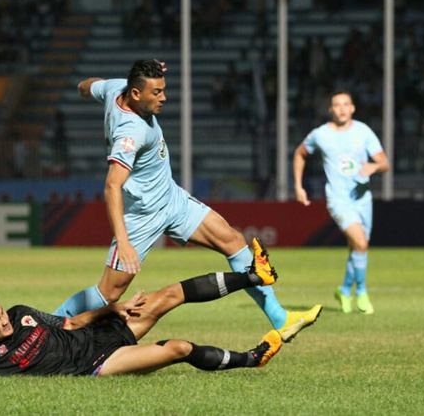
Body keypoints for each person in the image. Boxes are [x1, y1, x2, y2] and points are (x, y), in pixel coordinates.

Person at [52, 59, 321, 343]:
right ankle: (50, 327)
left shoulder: (115, 87)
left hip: (172, 199)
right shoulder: (130, 133)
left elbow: (87, 86)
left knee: (233, 241)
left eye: (163, 90)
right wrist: (124, 241)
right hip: (142, 215)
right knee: (109, 293)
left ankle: (281, 319)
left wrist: (86, 87)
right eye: (156, 92)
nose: (164, 97)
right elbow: (111, 186)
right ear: (135, 94)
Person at [0, 245, 283, 379]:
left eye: (2, 313)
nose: (5, 320)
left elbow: (72, 321)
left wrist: (115, 307)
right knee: (177, 347)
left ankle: (254, 276)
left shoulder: (23, 313)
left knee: (167, 294)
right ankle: (252, 358)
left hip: (97, 333)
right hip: (99, 362)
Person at [293, 90, 390, 315]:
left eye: (346, 104)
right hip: (338, 199)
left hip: (362, 197)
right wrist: (298, 187)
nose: (342, 109)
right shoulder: (321, 135)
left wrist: (374, 167)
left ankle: (345, 289)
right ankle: (362, 292)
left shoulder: (363, 131)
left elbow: (384, 162)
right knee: (361, 243)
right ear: (331, 110)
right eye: (337, 105)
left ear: (353, 108)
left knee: (357, 246)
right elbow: (300, 153)